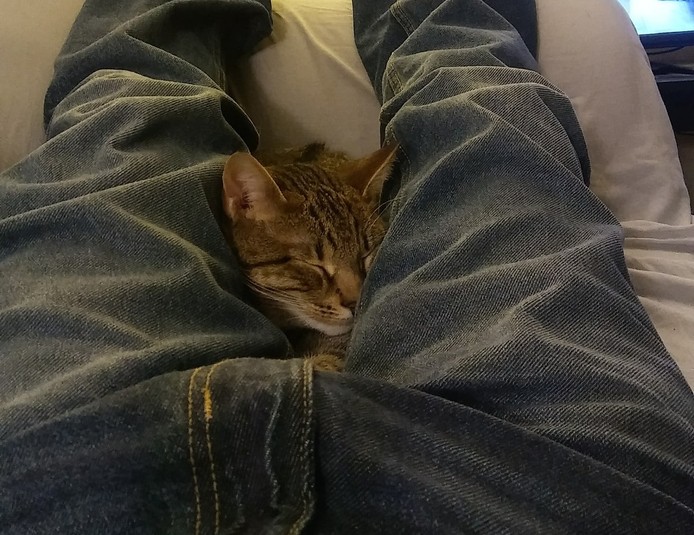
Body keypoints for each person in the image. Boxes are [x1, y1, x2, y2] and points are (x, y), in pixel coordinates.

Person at [1, 0, 692, 533]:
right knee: (479, 108)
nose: (358, 297)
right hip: (555, 483)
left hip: (60, 463)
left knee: (130, 111)